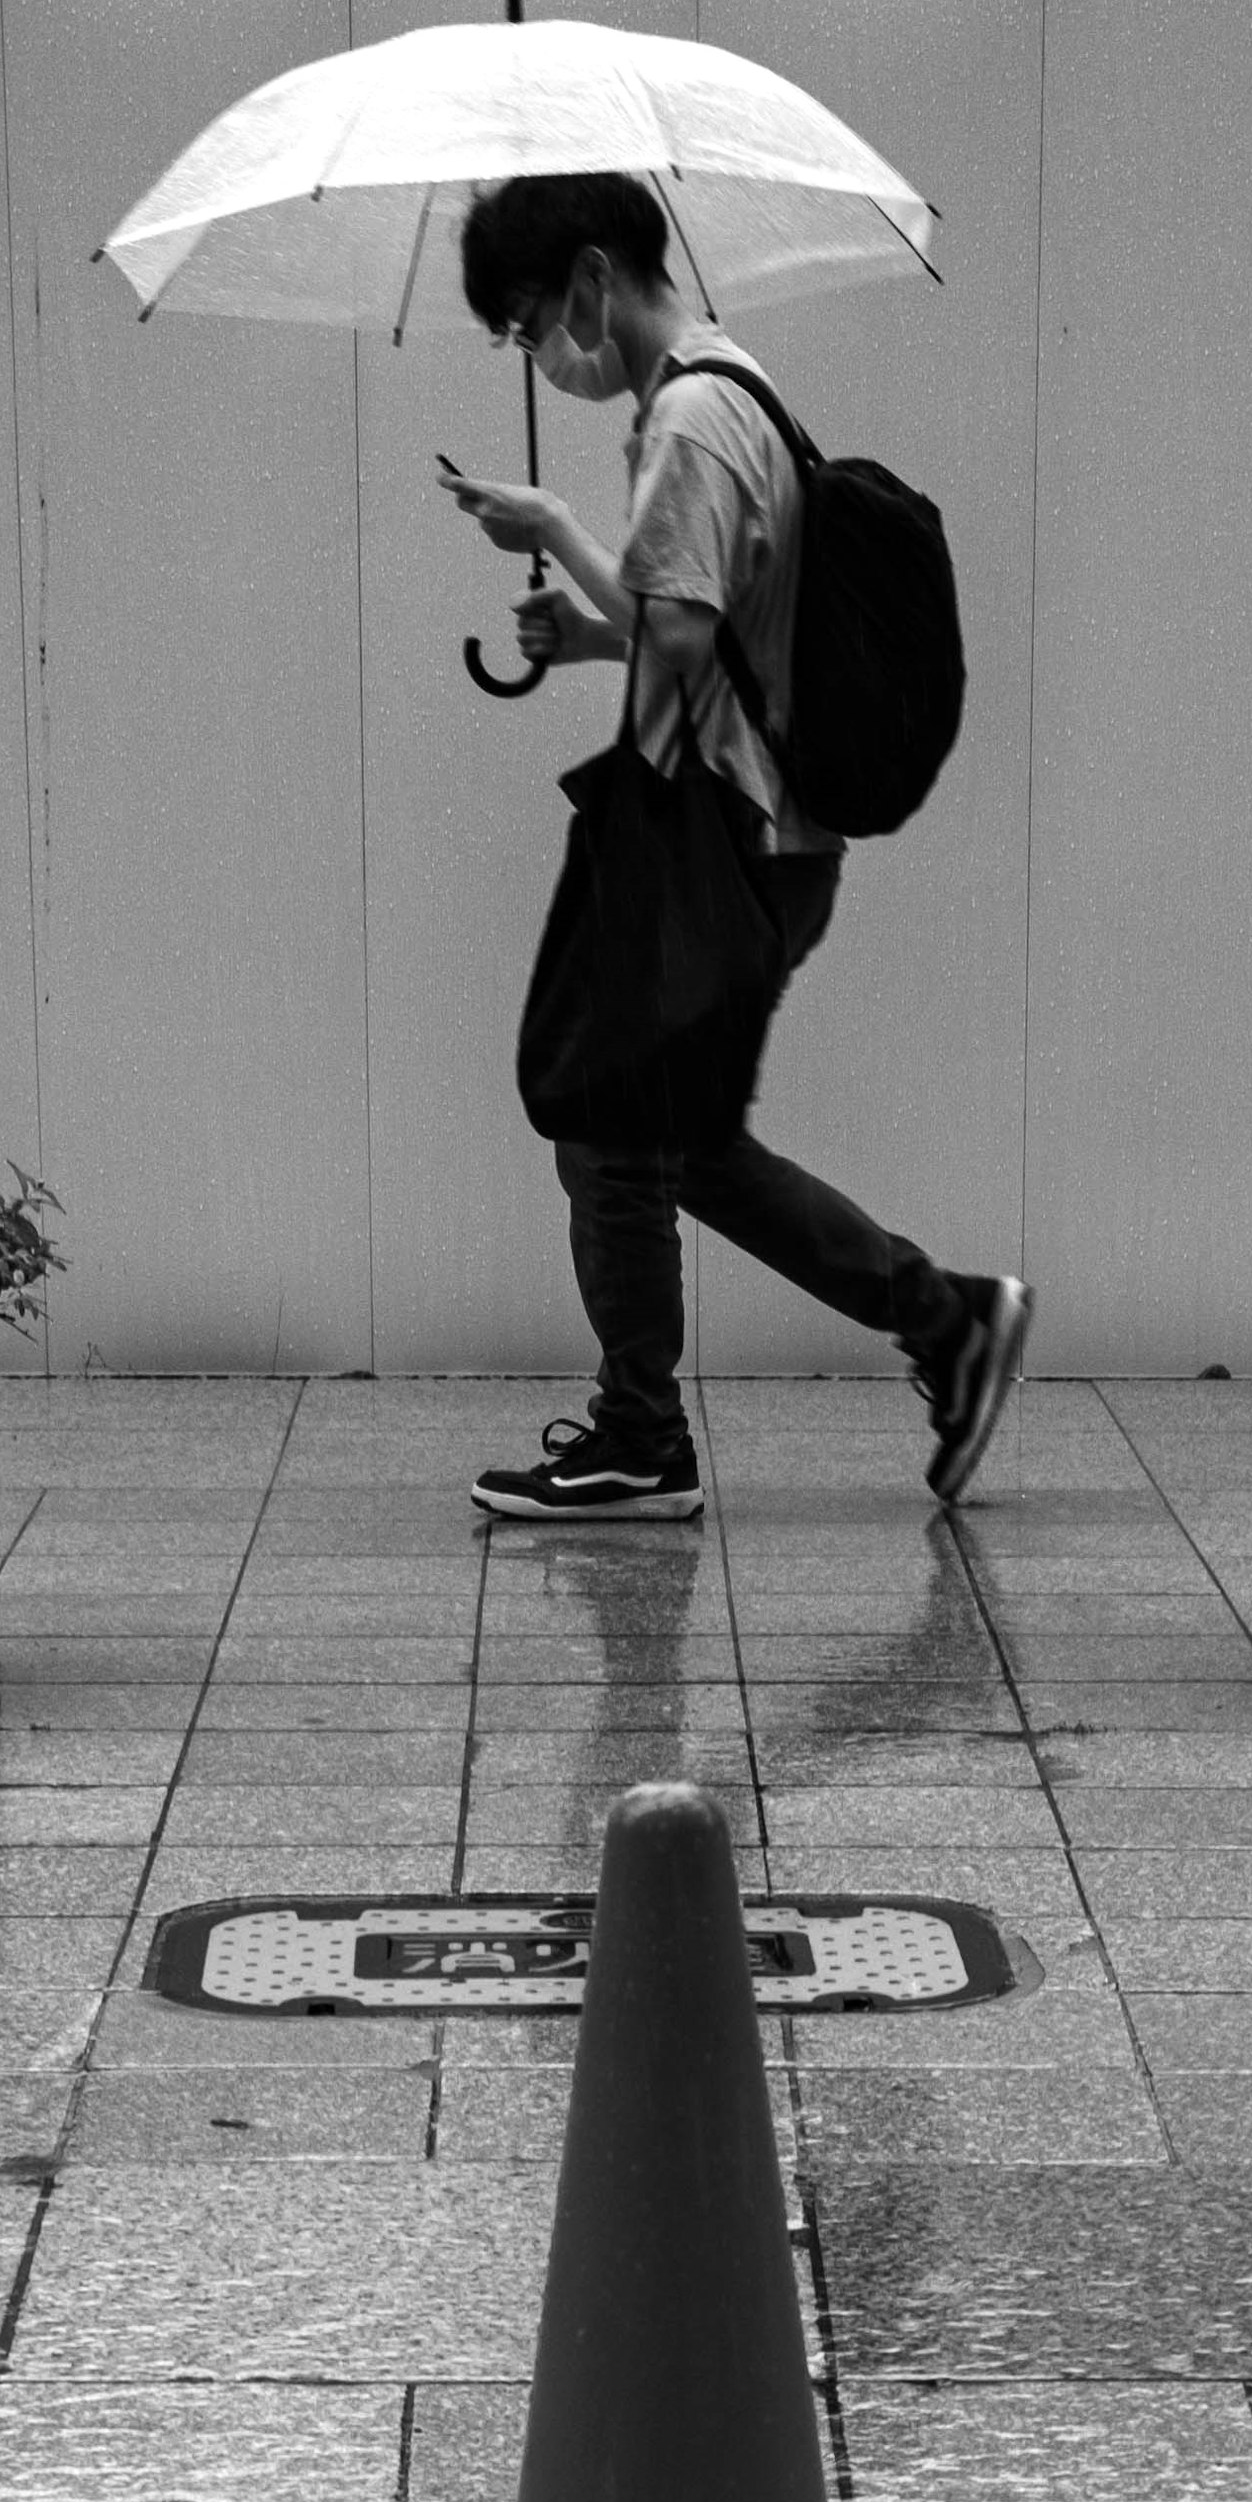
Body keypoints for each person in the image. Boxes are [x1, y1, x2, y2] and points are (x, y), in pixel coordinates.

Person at [441, 170, 1031, 1530]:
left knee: (614, 1133)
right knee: (670, 1143)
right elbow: (698, 630)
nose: (540, 353)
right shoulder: (712, 386)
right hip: (758, 836)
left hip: (734, 842)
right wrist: (589, 630)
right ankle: (944, 1322)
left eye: (532, 322)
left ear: (593, 280)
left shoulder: (696, 419)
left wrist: (561, 537)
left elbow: (686, 641)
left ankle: (647, 1436)